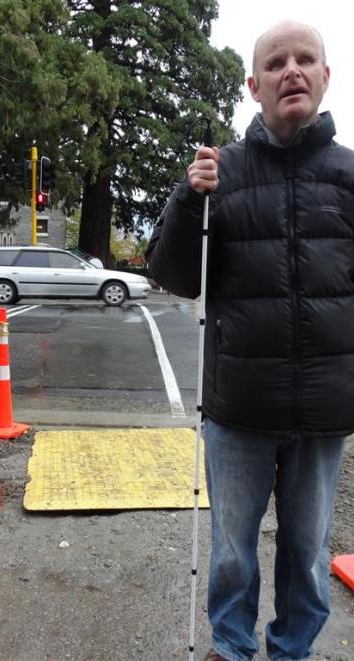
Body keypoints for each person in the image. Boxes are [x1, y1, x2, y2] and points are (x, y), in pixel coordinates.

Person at [146, 20, 351, 661]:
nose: (292, 70)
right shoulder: (220, 174)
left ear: (325, 76)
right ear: (254, 85)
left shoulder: (350, 177)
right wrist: (188, 198)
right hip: (238, 410)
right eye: (277, 63)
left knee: (309, 552)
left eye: (305, 59)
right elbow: (173, 275)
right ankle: (231, 648)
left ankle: (292, 650)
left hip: (324, 413)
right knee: (233, 549)